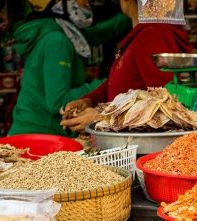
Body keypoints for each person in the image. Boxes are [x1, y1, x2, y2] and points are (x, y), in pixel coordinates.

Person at [61, 0, 193, 132]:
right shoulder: (144, 34)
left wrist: (100, 118)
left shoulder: (151, 36)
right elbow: (124, 82)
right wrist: (91, 100)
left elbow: (165, 104)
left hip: (141, 148)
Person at [9, 0, 131, 136]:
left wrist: (134, 11)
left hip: (43, 132)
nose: (87, 4)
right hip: (37, 134)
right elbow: (58, 102)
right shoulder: (56, 41)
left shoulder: (63, 30)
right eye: (82, 0)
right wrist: (107, 84)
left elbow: (101, 32)